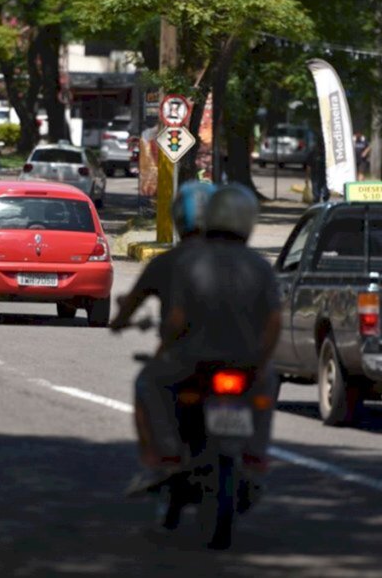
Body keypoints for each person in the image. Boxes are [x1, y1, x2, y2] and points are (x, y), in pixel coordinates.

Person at [123, 184, 282, 507]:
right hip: (244, 364)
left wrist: (168, 342)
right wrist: (260, 360)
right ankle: (254, 455)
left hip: (192, 362)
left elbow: (178, 318)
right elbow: (274, 322)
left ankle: (165, 455)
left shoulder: (189, 263)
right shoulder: (260, 265)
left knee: (148, 382)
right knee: (267, 385)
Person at [109, 181, 215, 485]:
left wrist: (119, 322)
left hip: (185, 355)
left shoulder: (169, 262)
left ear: (179, 218)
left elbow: (132, 304)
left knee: (146, 384)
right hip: (240, 355)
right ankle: (254, 456)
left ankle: (160, 460)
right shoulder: (239, 260)